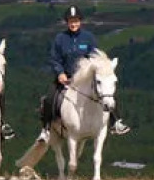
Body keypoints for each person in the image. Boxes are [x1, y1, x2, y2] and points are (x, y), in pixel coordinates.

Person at [42, 7, 129, 135]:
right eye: (71, 21)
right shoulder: (60, 38)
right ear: (67, 22)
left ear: (80, 21)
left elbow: (95, 56)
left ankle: (116, 122)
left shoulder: (88, 37)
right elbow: (55, 59)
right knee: (50, 97)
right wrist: (60, 72)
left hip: (85, 78)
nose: (73, 24)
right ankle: (46, 128)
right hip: (66, 77)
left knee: (107, 92)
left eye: (76, 21)